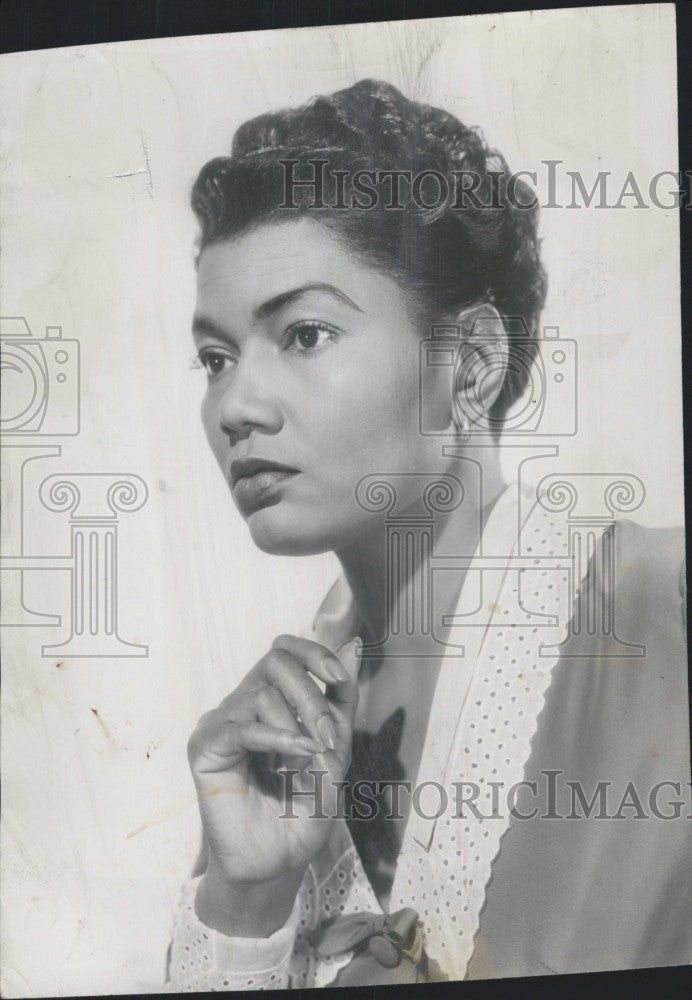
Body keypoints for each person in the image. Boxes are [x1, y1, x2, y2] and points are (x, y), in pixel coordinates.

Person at [165, 80, 691, 989]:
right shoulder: (272, 756)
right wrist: (246, 905)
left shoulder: (666, 606)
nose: (235, 407)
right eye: (216, 359)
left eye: (304, 333)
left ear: (472, 361)